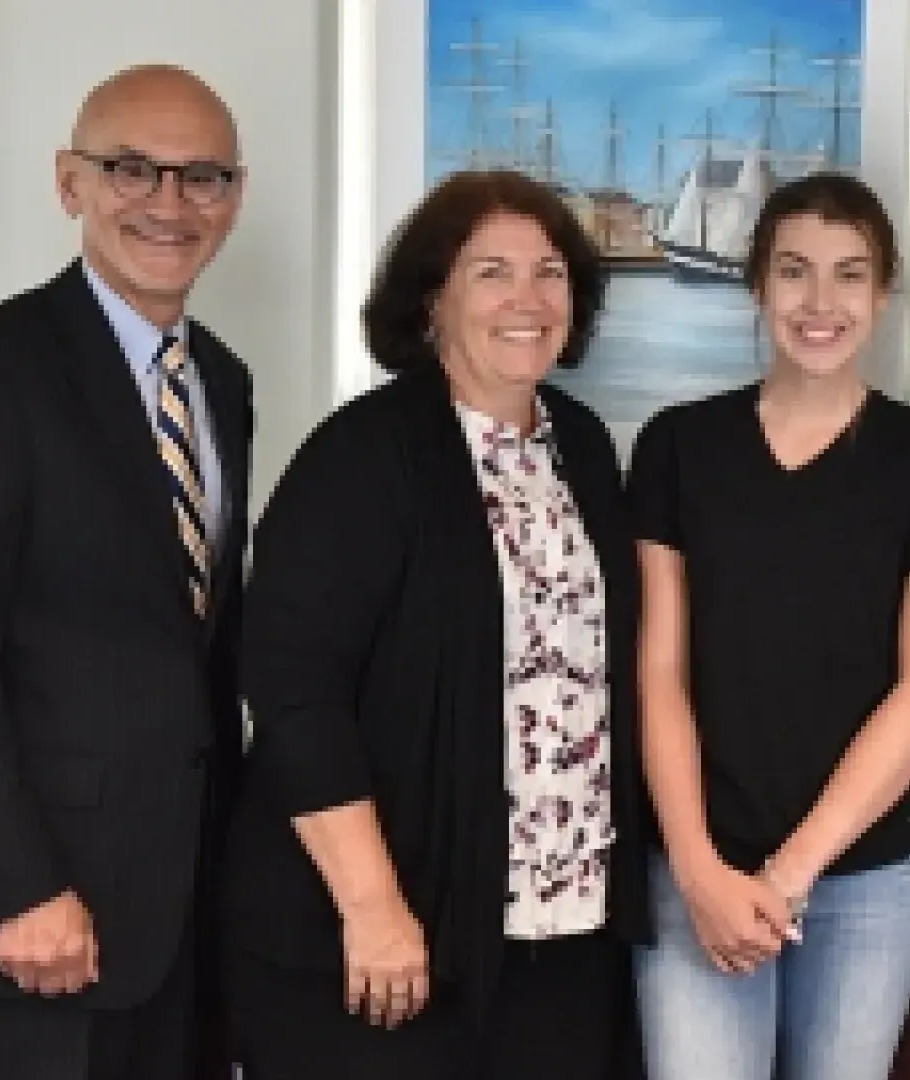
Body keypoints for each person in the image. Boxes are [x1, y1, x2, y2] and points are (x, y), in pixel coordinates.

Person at [216, 169, 648, 1079]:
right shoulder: (363, 456)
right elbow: (295, 693)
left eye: (551, 272)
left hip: (560, 936)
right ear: (431, 302)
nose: (528, 299)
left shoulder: (583, 446)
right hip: (383, 943)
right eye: (492, 271)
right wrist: (371, 905)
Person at [0, 65, 253, 1080]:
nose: (170, 204)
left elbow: (197, 650)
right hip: (35, 923)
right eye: (133, 169)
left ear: (235, 198)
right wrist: (18, 886)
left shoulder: (223, 381)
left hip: (181, 921)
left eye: (203, 177)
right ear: (68, 182)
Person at [628, 172, 910, 1080]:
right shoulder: (679, 446)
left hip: (867, 880)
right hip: (697, 870)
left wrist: (786, 876)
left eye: (849, 274)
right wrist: (701, 871)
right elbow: (661, 673)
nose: (820, 302)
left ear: (883, 293)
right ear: (757, 283)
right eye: (794, 271)